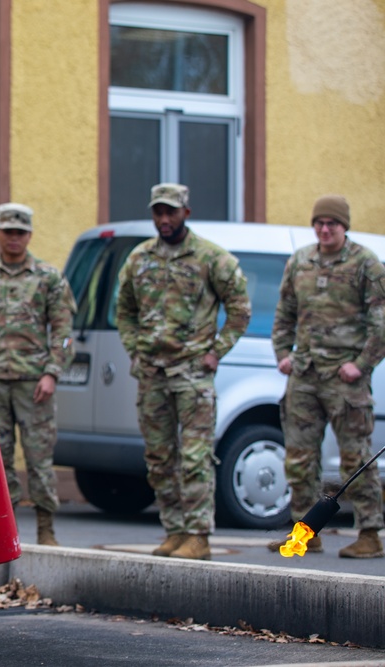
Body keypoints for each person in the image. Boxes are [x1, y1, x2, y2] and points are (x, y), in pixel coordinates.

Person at [115, 183, 251, 560]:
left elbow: (240, 310)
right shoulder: (139, 258)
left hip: (192, 374)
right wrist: (135, 349)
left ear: (185, 213)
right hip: (152, 375)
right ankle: (174, 530)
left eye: (170, 212)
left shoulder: (212, 258)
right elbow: (123, 311)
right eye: (158, 212)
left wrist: (216, 351)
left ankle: (198, 535)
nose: (163, 219)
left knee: (194, 457)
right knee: (159, 458)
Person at [268, 195, 385, 558]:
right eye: (319, 223)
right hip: (304, 375)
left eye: (332, 223)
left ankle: (369, 533)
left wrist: (362, 364)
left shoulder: (365, 263)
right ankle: (306, 533)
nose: (324, 229)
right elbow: (284, 312)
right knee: (299, 458)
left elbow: (381, 322)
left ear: (343, 226)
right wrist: (283, 354)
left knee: (355, 457)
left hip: (344, 378)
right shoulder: (300, 261)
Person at [0, 203, 76, 546]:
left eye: (20, 232)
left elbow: (63, 331)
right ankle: (7, 528)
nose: (14, 238)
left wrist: (52, 373)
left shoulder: (48, 278)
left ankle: (46, 530)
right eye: (8, 231)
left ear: (29, 235)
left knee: (39, 459)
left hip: (35, 385)